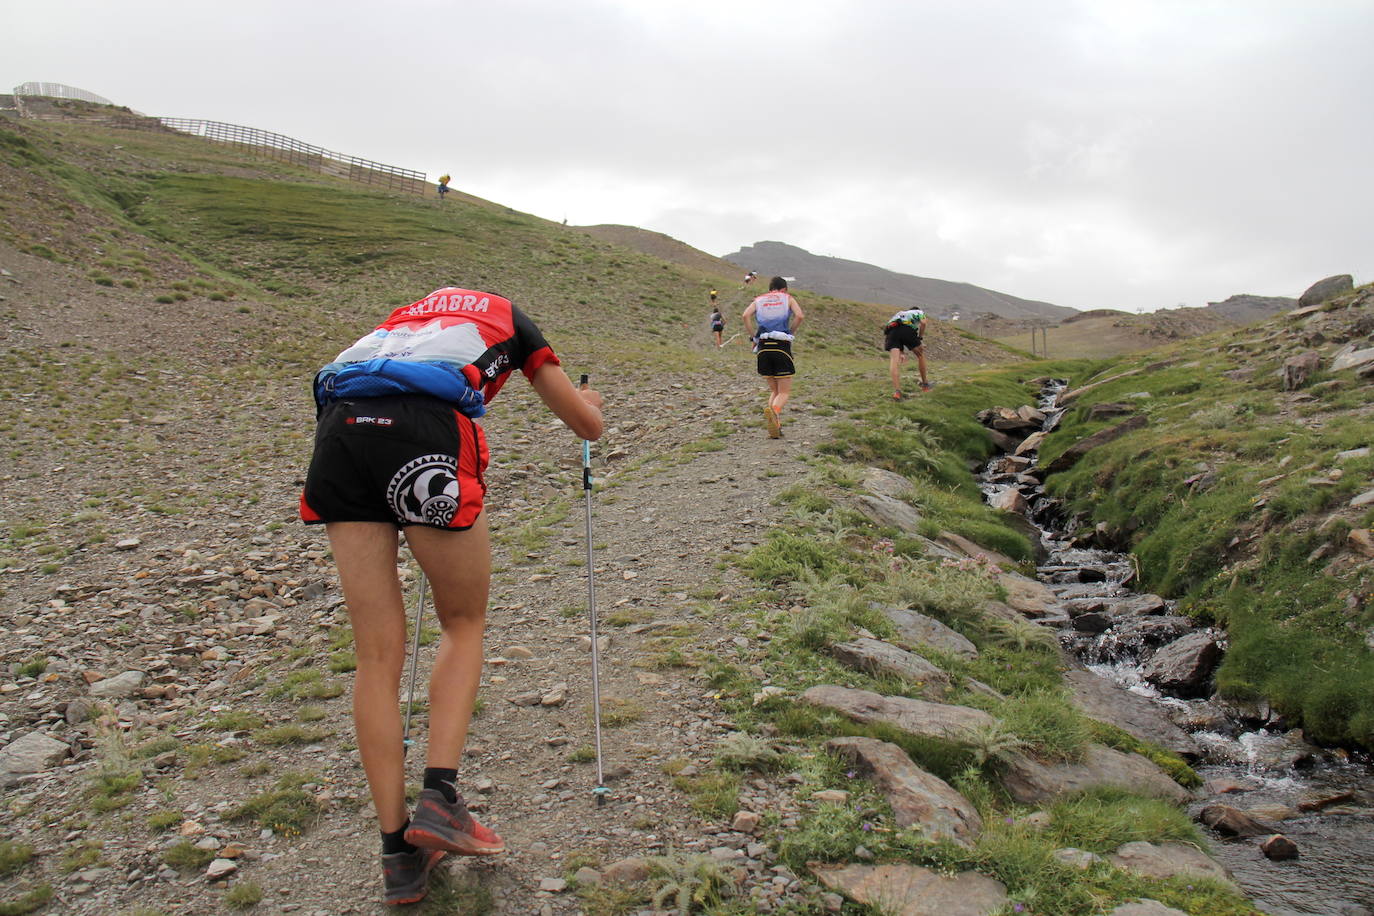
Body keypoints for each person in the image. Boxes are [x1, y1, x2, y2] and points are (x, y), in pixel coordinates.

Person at [300, 286, 603, 906]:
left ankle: (398, 855)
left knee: (376, 656)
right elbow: (586, 424)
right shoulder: (510, 317)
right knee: (463, 623)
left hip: (340, 435)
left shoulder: (400, 317)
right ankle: (439, 797)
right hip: (426, 436)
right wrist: (589, 403)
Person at [742, 276, 804, 437]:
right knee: (784, 392)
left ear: (770, 288)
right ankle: (775, 412)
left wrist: (753, 337)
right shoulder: (787, 298)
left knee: (774, 391)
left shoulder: (758, 299)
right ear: (783, 289)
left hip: (762, 347)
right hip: (781, 346)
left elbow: (745, 316)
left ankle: (775, 425)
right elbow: (800, 316)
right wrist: (791, 331)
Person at [884, 306, 930, 399]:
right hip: (907, 330)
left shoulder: (900, 314)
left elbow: (896, 331)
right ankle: (925, 385)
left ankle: (897, 392)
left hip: (891, 333)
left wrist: (901, 352)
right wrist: (920, 338)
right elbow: (923, 323)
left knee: (894, 361)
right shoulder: (918, 312)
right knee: (920, 355)